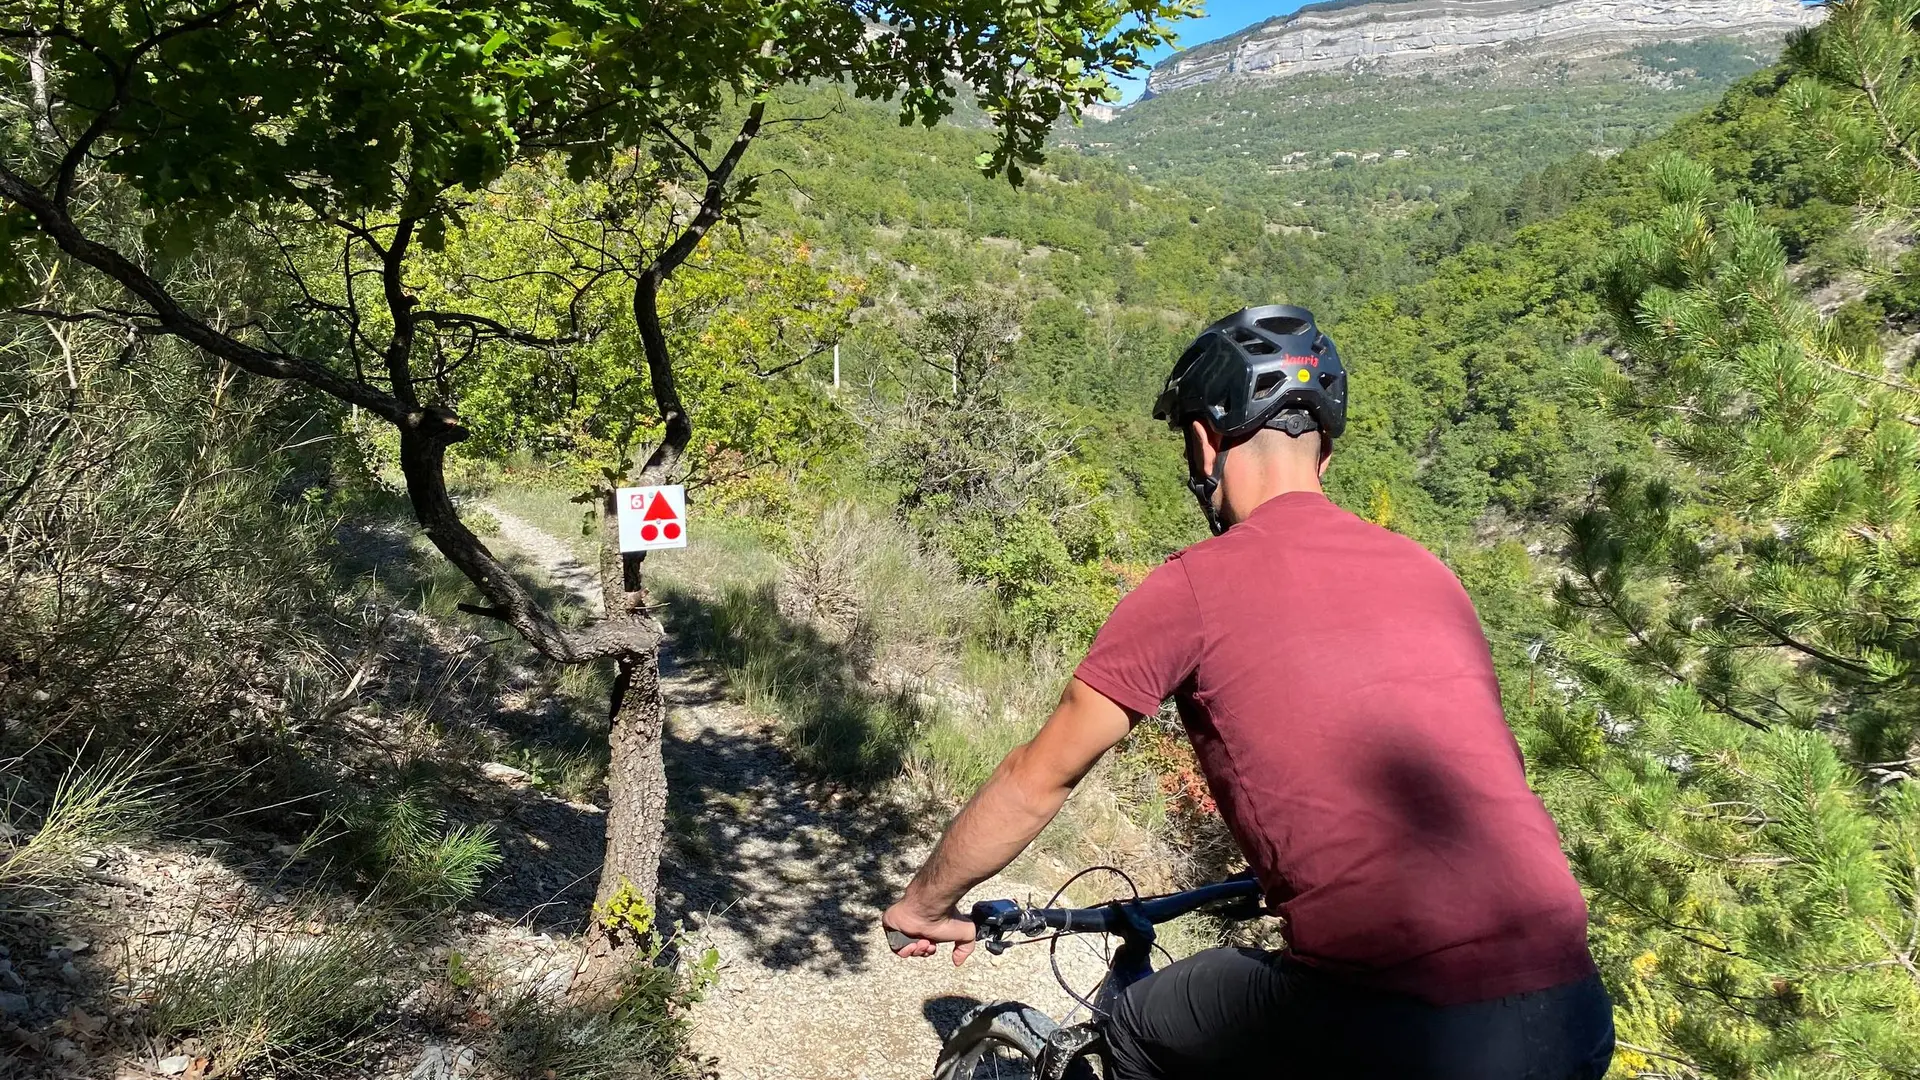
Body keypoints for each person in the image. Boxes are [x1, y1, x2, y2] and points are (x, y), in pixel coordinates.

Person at [882, 305, 1616, 1079]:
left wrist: (924, 905)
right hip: (1572, 1014)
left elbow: (1040, 776)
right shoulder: (1432, 574)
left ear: (1203, 441)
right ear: (1324, 448)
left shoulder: (1194, 586)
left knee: (1138, 1023)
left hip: (1402, 1022)